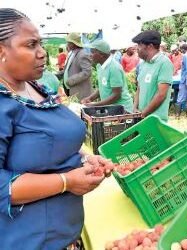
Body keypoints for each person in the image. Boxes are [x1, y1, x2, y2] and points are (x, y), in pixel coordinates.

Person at [0, 8, 112, 249]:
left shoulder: (34, 88)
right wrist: (65, 182)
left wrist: (85, 157)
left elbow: (48, 141)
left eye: (40, 44)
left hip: (67, 235)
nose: (42, 53)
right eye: (31, 45)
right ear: (1, 51)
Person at [81, 39, 133, 112]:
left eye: (92, 52)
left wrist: (95, 105)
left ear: (101, 54)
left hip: (123, 110)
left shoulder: (114, 68)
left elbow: (116, 95)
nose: (90, 55)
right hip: (111, 109)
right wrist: (90, 98)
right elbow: (102, 87)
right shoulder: (99, 66)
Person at [132, 30, 173, 122]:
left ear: (150, 46)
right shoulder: (143, 64)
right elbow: (139, 88)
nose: (137, 48)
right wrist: (134, 108)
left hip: (155, 121)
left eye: (139, 45)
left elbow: (161, 94)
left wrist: (143, 114)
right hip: (142, 118)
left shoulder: (164, 63)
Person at [63, 32, 92, 100]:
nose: (67, 44)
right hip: (72, 89)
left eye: (69, 42)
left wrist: (71, 80)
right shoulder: (72, 53)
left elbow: (87, 72)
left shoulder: (82, 54)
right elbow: (68, 68)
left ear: (73, 44)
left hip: (80, 91)